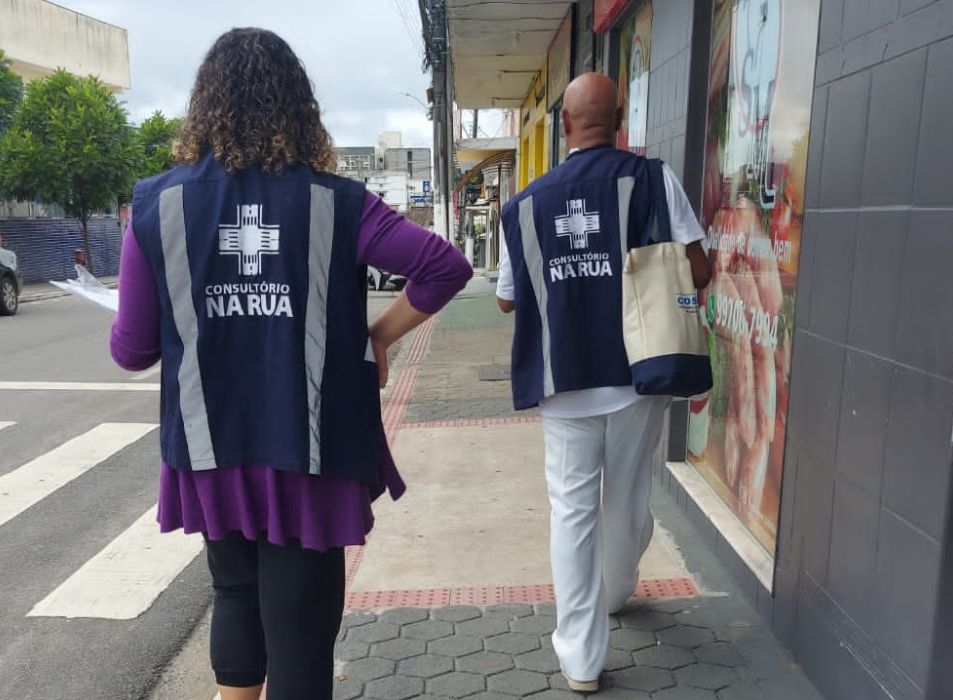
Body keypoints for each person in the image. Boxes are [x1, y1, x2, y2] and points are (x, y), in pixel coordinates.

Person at [109, 28, 471, 700]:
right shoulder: (337, 202)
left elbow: (131, 351)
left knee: (235, 597)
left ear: (202, 106)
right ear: (298, 107)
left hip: (211, 446)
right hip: (309, 449)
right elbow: (442, 266)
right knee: (302, 631)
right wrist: (381, 336)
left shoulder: (156, 205)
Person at [496, 72, 711, 692]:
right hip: (638, 377)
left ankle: (582, 659)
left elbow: (509, 301)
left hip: (562, 384)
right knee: (624, 497)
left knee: (572, 512)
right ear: (621, 120)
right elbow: (695, 268)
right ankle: (618, 591)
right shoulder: (653, 179)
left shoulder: (525, 204)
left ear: (563, 126)